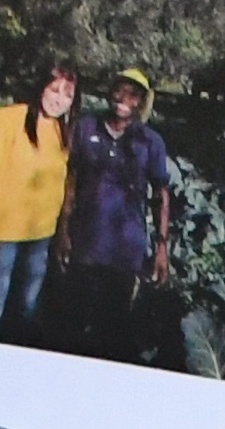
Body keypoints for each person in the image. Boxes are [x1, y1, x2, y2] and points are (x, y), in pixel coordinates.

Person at [58, 65, 178, 354]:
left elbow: (161, 194)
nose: (123, 99)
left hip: (125, 251)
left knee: (112, 329)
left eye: (133, 95)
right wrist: (62, 230)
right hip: (84, 245)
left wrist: (161, 247)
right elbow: (70, 180)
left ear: (141, 102)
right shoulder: (86, 127)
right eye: (119, 91)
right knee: (71, 325)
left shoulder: (150, 142)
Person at [0, 66, 77, 340]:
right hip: (2, 236)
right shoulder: (7, 120)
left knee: (25, 312)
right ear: (41, 87)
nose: (58, 99)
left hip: (39, 239)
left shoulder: (63, 132)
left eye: (67, 94)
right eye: (54, 89)